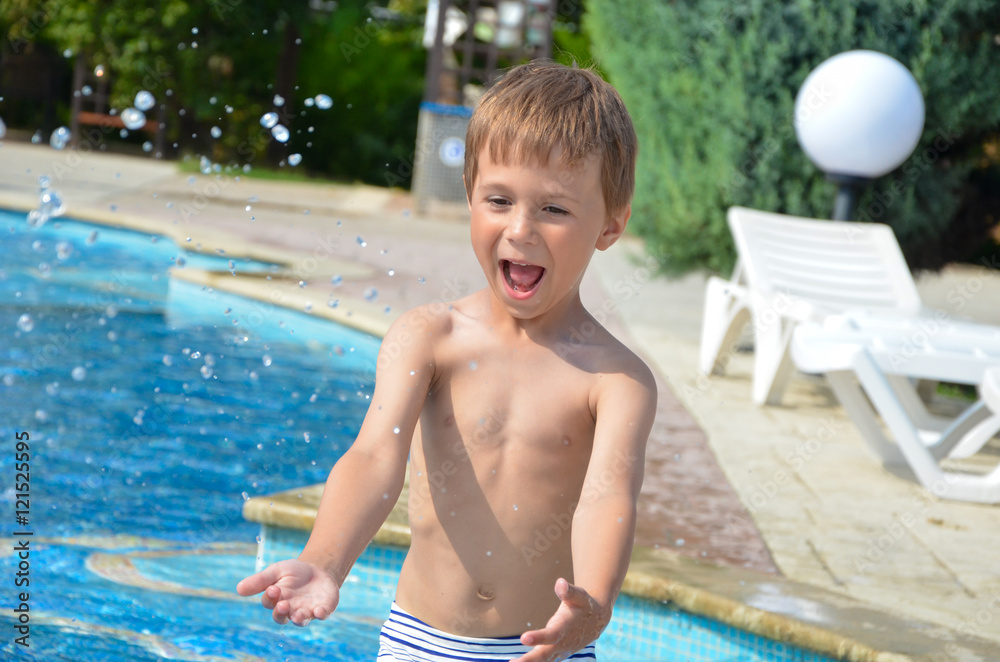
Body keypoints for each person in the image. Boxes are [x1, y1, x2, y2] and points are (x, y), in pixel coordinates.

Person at [237, 60, 657, 662]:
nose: (521, 228)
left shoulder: (615, 381)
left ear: (611, 224)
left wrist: (591, 607)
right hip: (420, 642)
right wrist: (325, 562)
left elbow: (608, 497)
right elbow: (375, 454)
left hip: (547, 645)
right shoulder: (430, 338)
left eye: (555, 210)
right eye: (499, 199)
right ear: (469, 198)